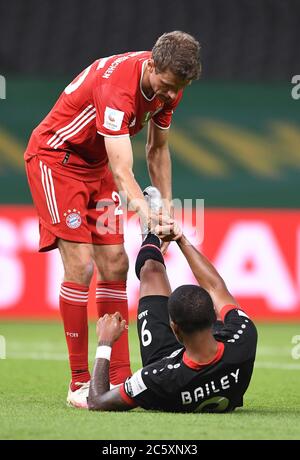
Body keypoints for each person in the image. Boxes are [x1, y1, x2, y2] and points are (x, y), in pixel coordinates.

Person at [24, 31, 201, 407]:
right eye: (168, 86)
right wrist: (147, 214)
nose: (171, 96)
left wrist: (165, 208)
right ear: (152, 65)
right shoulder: (118, 88)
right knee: (81, 266)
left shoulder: (170, 84)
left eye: (179, 88)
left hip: (96, 166)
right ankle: (78, 384)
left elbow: (157, 149)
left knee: (117, 264)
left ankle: (118, 378)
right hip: (57, 161)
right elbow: (123, 173)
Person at [87, 188, 258, 413]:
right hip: (189, 362)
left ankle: (151, 234)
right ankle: (154, 229)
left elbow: (97, 402)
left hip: (166, 359)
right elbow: (215, 287)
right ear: (214, 318)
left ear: (174, 329)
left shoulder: (156, 378)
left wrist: (105, 342)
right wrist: (180, 238)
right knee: (152, 271)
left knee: (150, 270)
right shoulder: (242, 337)